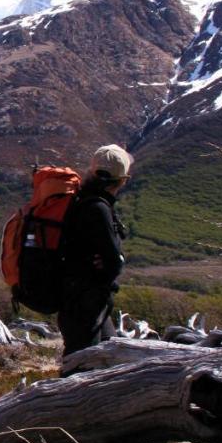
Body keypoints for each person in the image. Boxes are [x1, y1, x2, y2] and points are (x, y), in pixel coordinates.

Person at [58, 144, 132, 362]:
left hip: (73, 295)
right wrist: (107, 266)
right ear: (122, 180)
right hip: (86, 300)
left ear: (91, 170)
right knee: (81, 363)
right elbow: (113, 261)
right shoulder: (98, 208)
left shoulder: (79, 199)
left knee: (108, 358)